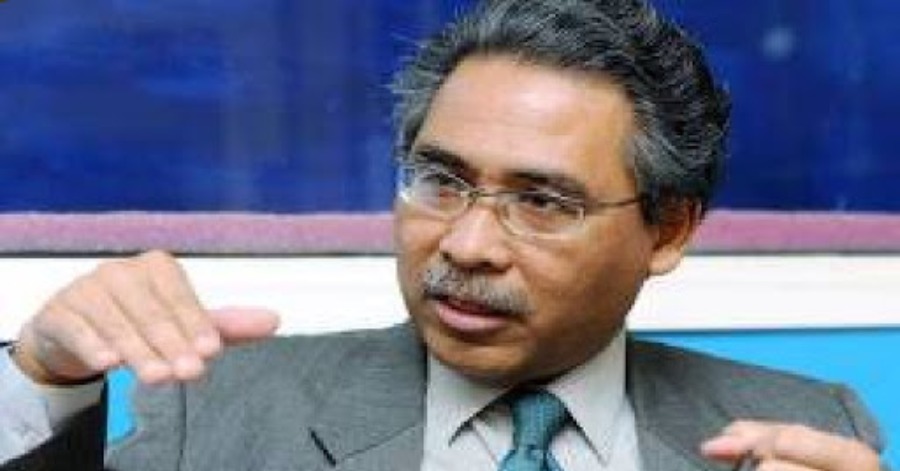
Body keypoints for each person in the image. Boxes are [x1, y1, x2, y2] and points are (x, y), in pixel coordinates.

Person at [0, 0, 887, 470]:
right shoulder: (218, 409)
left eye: (542, 202)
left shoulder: (806, 426)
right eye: (441, 180)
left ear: (667, 229)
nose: (466, 244)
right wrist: (40, 377)